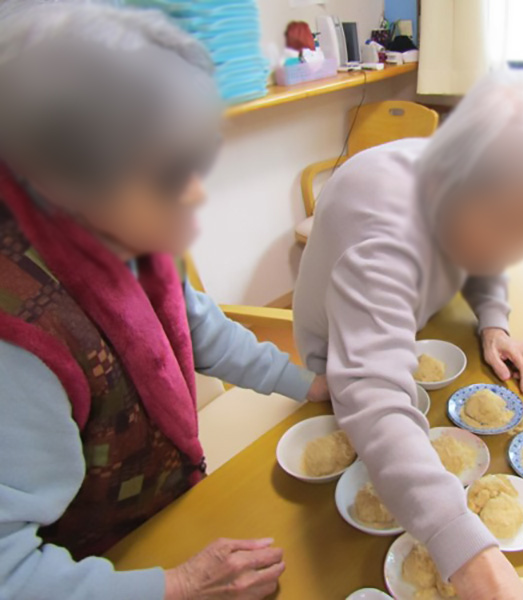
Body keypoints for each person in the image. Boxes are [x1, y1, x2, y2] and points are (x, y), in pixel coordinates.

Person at [0, 3, 327, 599]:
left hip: (164, 501)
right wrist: (181, 585)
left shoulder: (116, 229)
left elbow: (192, 322)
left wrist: (305, 384)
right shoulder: (19, 340)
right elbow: (11, 574)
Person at [293, 69, 523, 599]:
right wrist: (474, 562)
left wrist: (493, 320)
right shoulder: (381, 230)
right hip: (343, 368)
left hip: (403, 333)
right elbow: (373, 396)